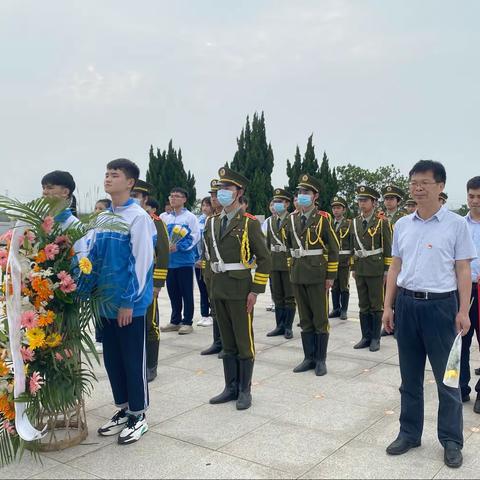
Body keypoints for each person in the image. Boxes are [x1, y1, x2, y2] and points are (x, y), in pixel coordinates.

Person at [383, 160, 476, 469]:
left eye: (424, 182)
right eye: (413, 183)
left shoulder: (456, 224)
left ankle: (451, 440)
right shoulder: (402, 225)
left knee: (448, 379)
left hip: (441, 308)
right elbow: (395, 266)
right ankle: (409, 433)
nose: (417, 188)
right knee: (409, 379)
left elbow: (463, 269)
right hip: (407, 307)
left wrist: (463, 310)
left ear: (441, 186)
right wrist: (388, 306)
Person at [84, 158, 156, 445]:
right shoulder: (103, 217)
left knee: (132, 359)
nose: (108, 178)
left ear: (130, 183)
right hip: (104, 303)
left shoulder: (138, 218)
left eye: (115, 175)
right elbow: (94, 257)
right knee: (113, 360)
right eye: (107, 174)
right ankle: (124, 409)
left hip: (129, 305)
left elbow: (142, 263)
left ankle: (139, 416)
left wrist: (129, 301)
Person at [204, 167, 271, 410]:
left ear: (239, 192)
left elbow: (265, 258)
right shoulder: (211, 223)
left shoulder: (249, 223)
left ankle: (245, 389)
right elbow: (210, 256)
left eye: (227, 189)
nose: (222, 193)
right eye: (220, 189)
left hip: (240, 289)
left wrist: (255, 290)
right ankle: (230, 387)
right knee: (227, 342)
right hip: (219, 288)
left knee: (244, 341)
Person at [285, 174, 339, 376]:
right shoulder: (291, 219)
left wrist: (330, 275)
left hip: (317, 275)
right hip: (298, 274)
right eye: (299, 192)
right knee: (305, 318)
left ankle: (320, 360)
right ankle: (308, 358)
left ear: (315, 196)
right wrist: (292, 270)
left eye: (306, 192)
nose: (301, 196)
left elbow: (333, 248)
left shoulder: (323, 219)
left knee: (320, 318)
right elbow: (289, 247)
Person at [130, 180, 169, 382]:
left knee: (150, 323)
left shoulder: (155, 222)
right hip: (127, 282)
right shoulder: (122, 219)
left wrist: (157, 284)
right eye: (131, 193)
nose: (133, 198)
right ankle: (137, 363)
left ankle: (151, 365)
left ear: (145, 199)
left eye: (137, 195)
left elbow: (163, 254)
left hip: (148, 281)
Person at [351, 186, 392, 352]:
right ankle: (365, 336)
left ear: (374, 202)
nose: (362, 204)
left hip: (376, 268)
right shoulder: (354, 222)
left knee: (376, 304)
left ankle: (375, 338)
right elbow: (353, 246)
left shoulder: (382, 223)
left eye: (365, 200)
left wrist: (386, 270)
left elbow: (388, 247)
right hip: (360, 268)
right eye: (360, 200)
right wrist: (353, 267)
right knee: (363, 304)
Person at [160, 187, 200, 335]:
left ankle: (187, 322)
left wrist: (180, 247)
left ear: (184, 199)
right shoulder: (165, 217)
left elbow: (195, 236)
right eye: (171, 196)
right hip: (170, 262)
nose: (173, 198)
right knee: (173, 292)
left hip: (184, 261)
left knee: (186, 293)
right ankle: (175, 320)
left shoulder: (190, 217)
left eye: (177, 196)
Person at [460, 176, 480, 410]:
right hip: (463, 290)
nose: (475, 201)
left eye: (479, 197)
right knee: (460, 341)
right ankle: (461, 386)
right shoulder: (459, 224)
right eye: (471, 196)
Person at [265, 188, 296, 339]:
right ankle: (279, 325)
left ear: (287, 204)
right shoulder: (270, 221)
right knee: (277, 296)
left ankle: (288, 327)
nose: (276, 204)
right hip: (274, 263)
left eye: (280, 202)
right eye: (275, 201)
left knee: (289, 296)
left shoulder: (292, 219)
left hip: (288, 262)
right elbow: (267, 243)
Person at [200, 179, 224, 356]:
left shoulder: (234, 220)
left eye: (217, 195)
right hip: (210, 270)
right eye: (212, 195)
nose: (214, 199)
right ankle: (218, 342)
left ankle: (228, 344)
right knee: (214, 308)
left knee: (227, 310)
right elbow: (206, 246)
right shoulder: (210, 220)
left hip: (226, 272)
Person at [329, 196, 352, 320]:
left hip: (344, 259)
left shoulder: (349, 224)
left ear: (344, 210)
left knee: (344, 285)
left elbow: (353, 242)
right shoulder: (328, 223)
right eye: (334, 208)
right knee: (334, 285)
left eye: (338, 208)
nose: (336, 211)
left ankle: (344, 310)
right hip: (332, 260)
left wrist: (351, 259)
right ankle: (336, 308)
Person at [195, 197, 213, 327]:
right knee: (202, 288)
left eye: (207, 205)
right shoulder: (199, 220)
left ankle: (213, 314)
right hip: (199, 260)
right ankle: (204, 314)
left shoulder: (215, 219)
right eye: (203, 205)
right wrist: (196, 259)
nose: (204, 208)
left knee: (211, 288)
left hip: (211, 260)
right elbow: (195, 240)